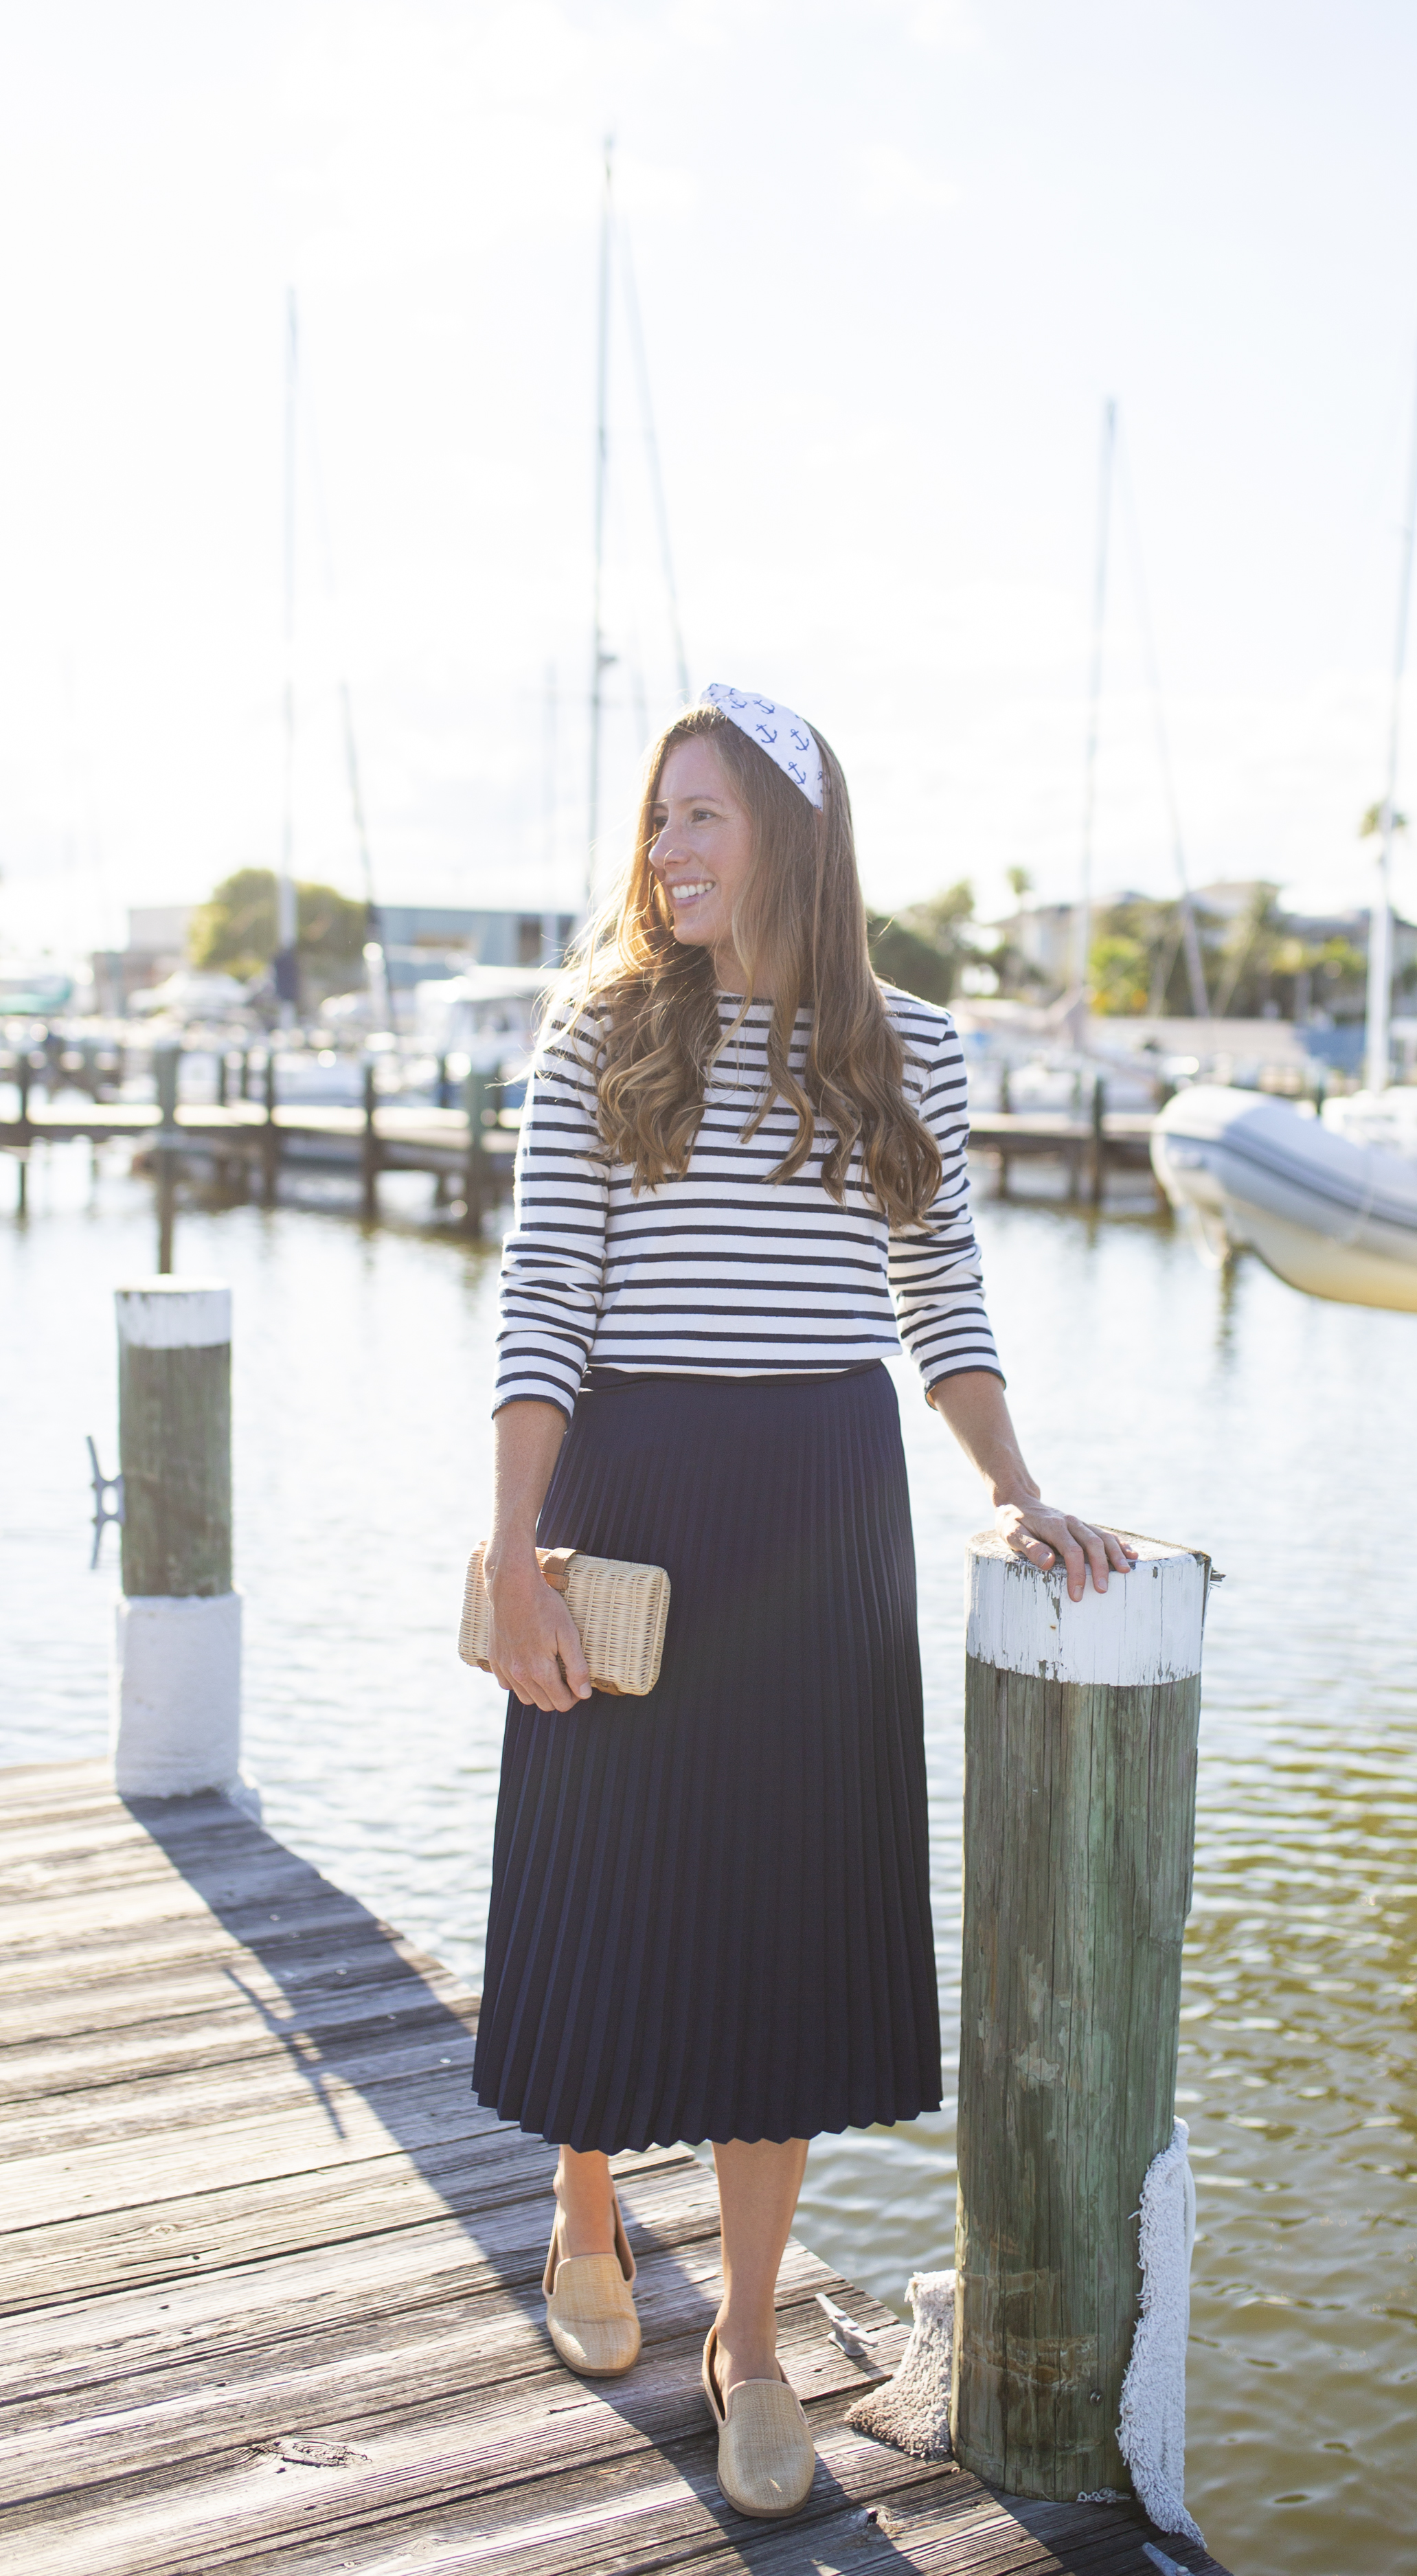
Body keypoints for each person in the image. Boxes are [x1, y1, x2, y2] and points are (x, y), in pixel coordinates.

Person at [473, 683, 1131, 2521]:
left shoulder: (908, 1047)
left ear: (793, 831)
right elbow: (543, 1303)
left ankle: (748, 2341)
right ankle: (585, 2201)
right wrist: (514, 1546)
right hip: (631, 1491)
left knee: (773, 1925)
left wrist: (1017, 1489)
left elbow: (944, 1297)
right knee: (610, 1887)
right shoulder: (599, 1030)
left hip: (825, 1506)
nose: (668, 850)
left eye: (704, 815)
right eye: (655, 817)